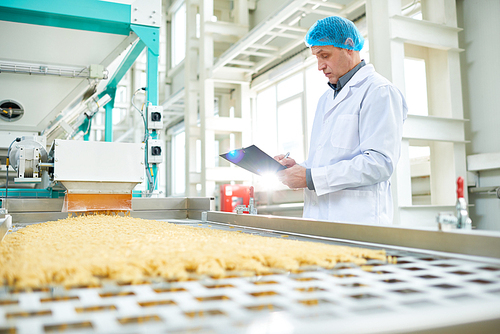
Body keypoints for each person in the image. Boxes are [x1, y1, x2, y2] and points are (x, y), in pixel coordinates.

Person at [275, 16, 408, 225]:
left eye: (325, 55)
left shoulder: (379, 91)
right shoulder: (326, 99)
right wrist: (298, 168)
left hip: (358, 222)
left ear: (349, 47)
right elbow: (324, 160)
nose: (320, 66)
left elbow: (380, 163)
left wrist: (310, 177)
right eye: (316, 58)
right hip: (319, 219)